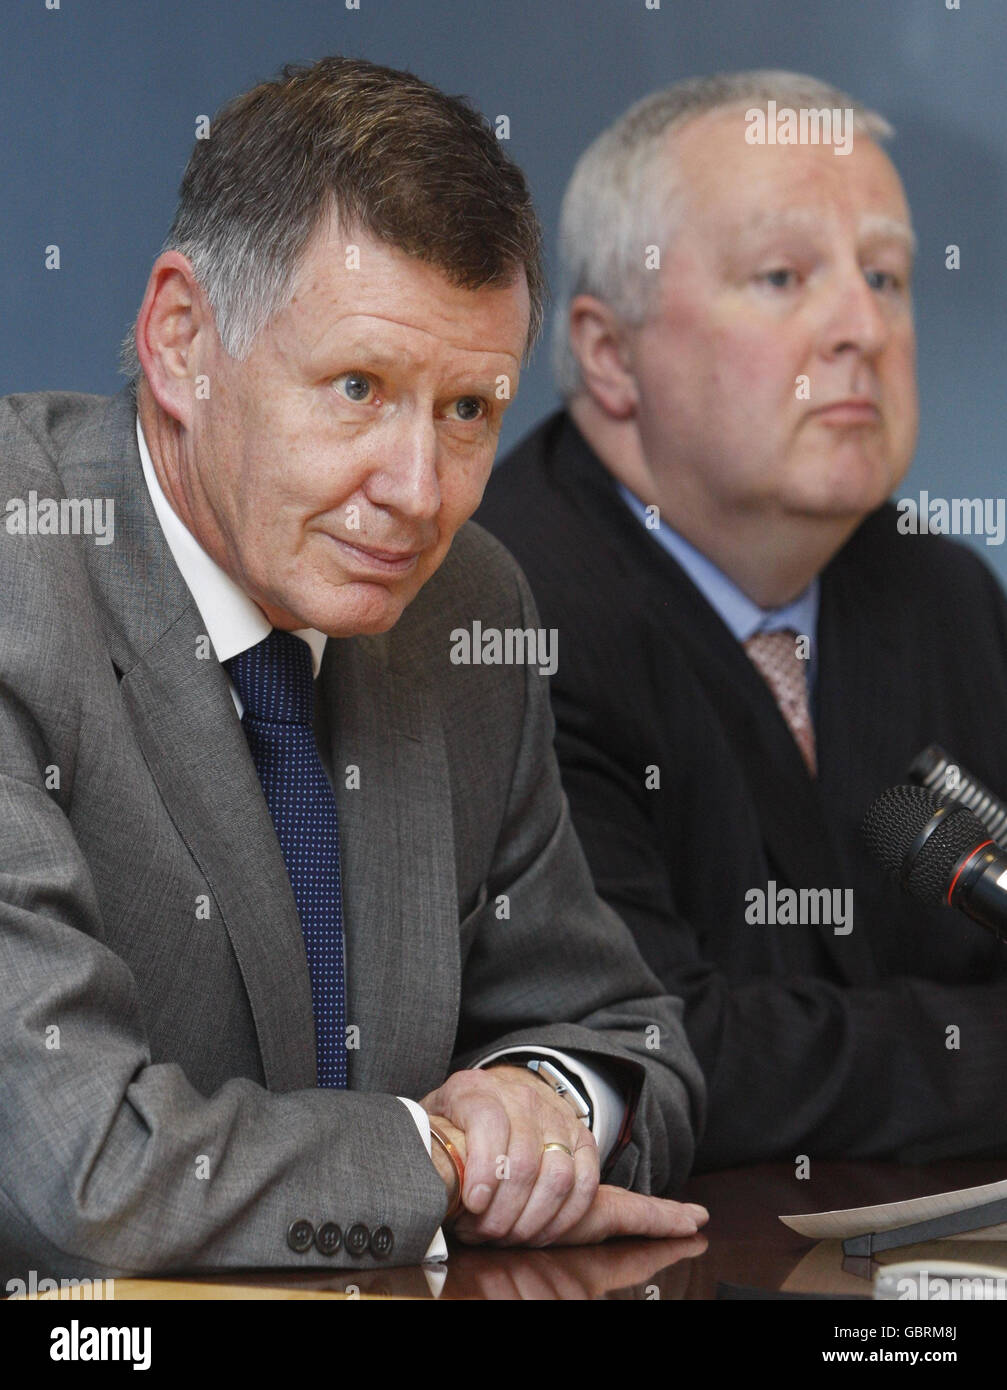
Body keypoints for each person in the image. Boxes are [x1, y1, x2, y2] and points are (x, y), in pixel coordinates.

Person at [0, 56, 707, 1284]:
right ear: (182, 342)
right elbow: (81, 1174)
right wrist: (434, 1155)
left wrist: (545, 1106)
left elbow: (628, 1036)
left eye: (468, 411)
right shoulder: (20, 578)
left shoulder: (465, 605)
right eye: (357, 388)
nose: (418, 493)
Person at [477, 71, 1007, 1171]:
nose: (861, 326)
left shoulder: (947, 597)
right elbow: (660, 1049)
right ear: (610, 354)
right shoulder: (502, 609)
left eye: (885, 276)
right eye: (781, 276)